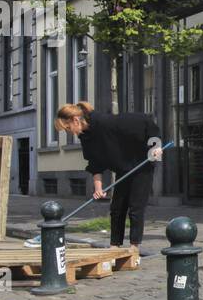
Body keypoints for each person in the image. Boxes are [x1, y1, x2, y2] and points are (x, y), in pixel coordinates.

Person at [53, 102, 161, 253]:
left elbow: (144, 121)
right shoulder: (86, 137)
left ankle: (134, 247)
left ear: (75, 120)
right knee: (117, 208)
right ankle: (114, 246)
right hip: (123, 168)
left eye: (68, 128)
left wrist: (155, 145)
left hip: (141, 163)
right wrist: (98, 188)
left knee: (135, 207)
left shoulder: (105, 123)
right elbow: (94, 163)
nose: (69, 132)